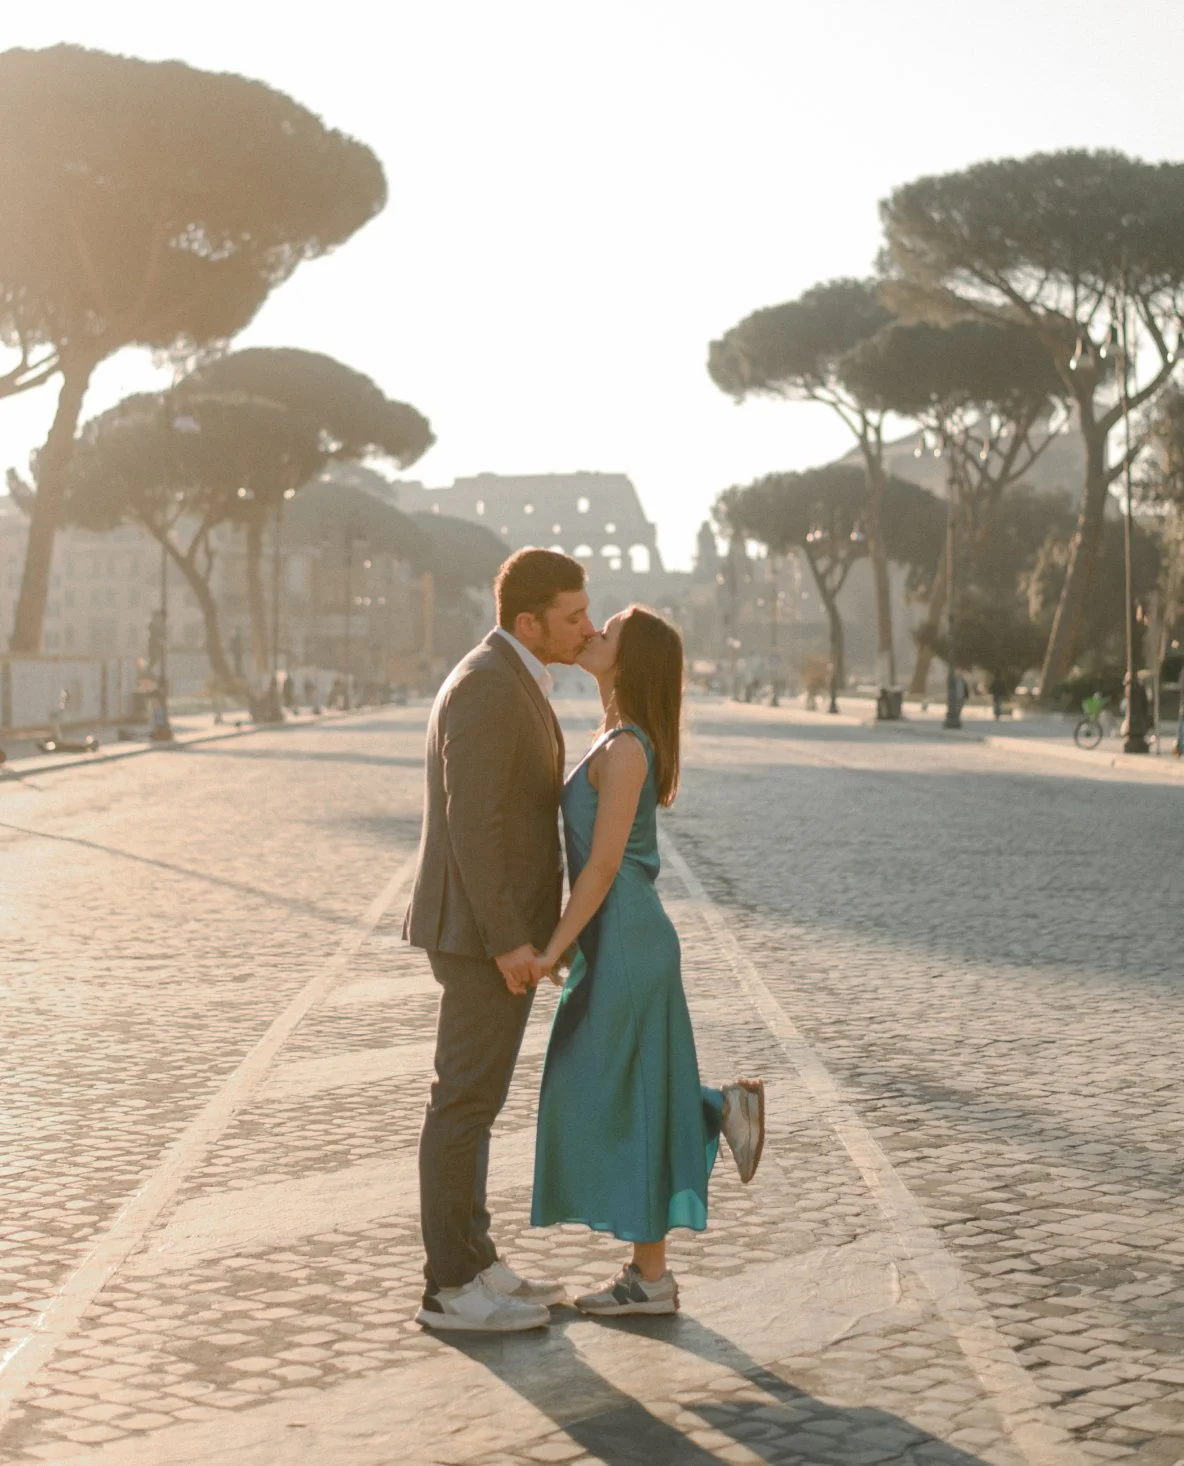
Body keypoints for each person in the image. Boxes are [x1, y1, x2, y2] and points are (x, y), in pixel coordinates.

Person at [531, 605, 765, 1316]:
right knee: (620, 1090)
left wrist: (553, 948)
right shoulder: (615, 738)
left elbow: (602, 869)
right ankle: (711, 1116)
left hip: (627, 939)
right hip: (621, 939)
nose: (592, 634)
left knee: (597, 1088)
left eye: (608, 632)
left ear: (630, 663)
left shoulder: (626, 749)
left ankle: (652, 1276)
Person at [403, 548, 597, 1333]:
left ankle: (476, 1262)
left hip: (492, 931)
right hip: (483, 935)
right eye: (574, 615)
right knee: (462, 1104)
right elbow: (475, 825)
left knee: (476, 1106)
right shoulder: (488, 684)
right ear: (530, 621)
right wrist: (511, 940)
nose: (586, 627)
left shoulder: (506, 676)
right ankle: (450, 1288)